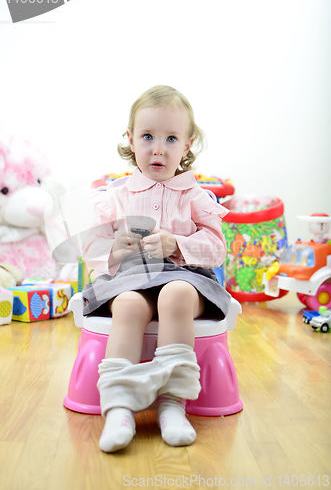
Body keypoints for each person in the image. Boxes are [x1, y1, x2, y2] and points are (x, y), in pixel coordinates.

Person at [82, 85, 230, 453]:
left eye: (171, 138)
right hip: (130, 278)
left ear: (188, 144)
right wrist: (116, 247)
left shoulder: (195, 197)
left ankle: (172, 403)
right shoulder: (115, 196)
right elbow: (91, 251)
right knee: (130, 305)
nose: (158, 148)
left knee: (175, 293)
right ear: (131, 139)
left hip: (185, 278)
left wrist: (177, 244)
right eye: (148, 136)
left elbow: (217, 250)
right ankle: (119, 406)